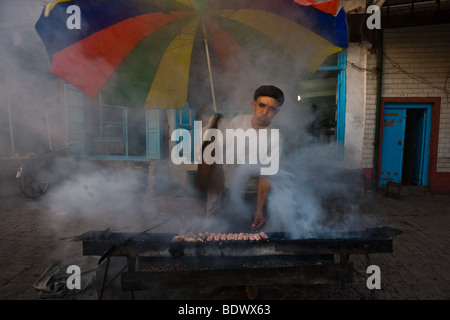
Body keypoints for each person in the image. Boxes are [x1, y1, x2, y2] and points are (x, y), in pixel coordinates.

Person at [222, 84, 284, 231]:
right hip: (229, 190)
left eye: (272, 109)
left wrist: (259, 210)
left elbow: (266, 176)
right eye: (262, 105)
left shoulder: (275, 138)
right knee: (228, 233)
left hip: (254, 196)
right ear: (254, 105)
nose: (265, 112)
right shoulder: (237, 121)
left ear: (277, 112)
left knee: (253, 235)